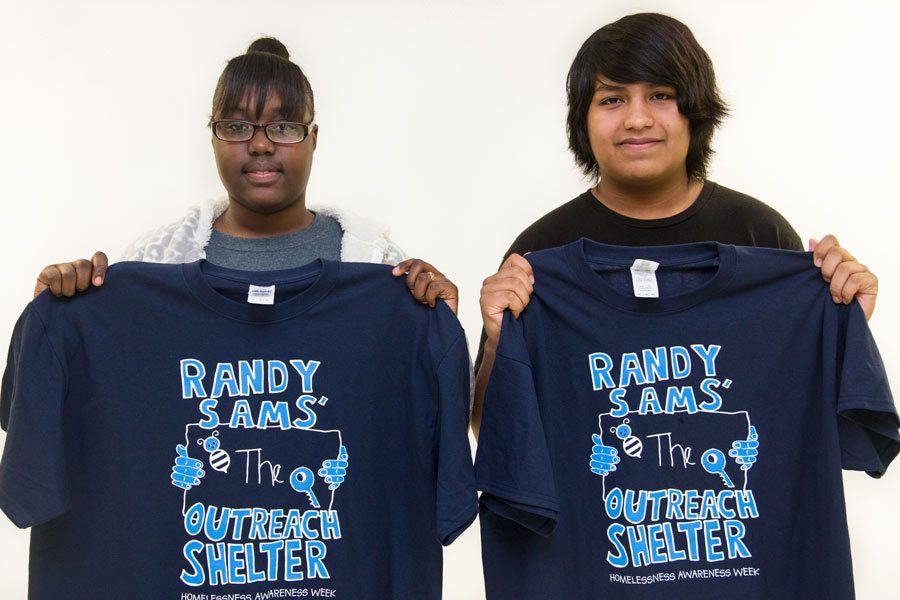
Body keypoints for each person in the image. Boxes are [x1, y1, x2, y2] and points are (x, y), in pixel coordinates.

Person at [472, 13, 879, 433]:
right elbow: (489, 433)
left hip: (732, 497)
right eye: (611, 99)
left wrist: (847, 325)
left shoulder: (762, 235)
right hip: (591, 497)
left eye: (661, 95)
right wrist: (500, 341)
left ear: (697, 111)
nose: (637, 119)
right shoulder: (542, 250)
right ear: (582, 120)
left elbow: (804, 420)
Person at [31, 36, 457, 313]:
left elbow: (436, 416)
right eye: (236, 127)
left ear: (314, 138)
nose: (260, 145)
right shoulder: (153, 264)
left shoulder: (378, 264)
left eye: (285, 126)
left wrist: (440, 320)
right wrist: (59, 313)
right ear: (212, 139)